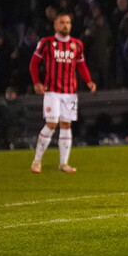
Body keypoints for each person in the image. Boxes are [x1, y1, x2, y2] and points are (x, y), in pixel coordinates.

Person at [28, 12, 97, 172]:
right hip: (52, 91)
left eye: (67, 22)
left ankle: (63, 163)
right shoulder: (46, 43)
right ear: (55, 25)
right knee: (52, 124)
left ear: (70, 25)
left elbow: (81, 65)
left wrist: (88, 81)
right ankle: (37, 160)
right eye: (62, 22)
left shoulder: (77, 44)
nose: (65, 25)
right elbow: (33, 64)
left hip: (69, 92)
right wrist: (36, 82)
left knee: (66, 125)